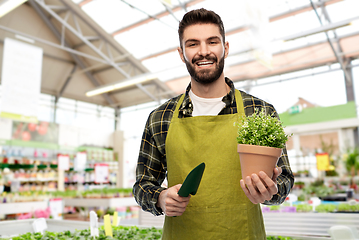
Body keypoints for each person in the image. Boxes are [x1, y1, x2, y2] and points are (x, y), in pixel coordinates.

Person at [133, 8, 294, 240]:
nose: (204, 51)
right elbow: (142, 184)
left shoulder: (259, 111)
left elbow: (285, 177)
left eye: (212, 41)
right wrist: (159, 198)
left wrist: (271, 190)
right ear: (182, 53)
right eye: (193, 44)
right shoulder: (161, 117)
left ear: (225, 48)